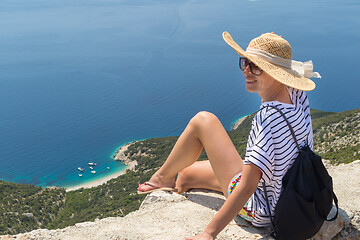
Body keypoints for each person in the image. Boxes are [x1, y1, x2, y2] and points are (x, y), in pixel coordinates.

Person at [137, 31, 321, 240]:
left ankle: (161, 179)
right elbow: (291, 69)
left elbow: (248, 186)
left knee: (203, 120)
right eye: (245, 62)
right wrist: (275, 48)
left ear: (275, 73)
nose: (246, 70)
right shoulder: (296, 93)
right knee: (186, 173)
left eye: (257, 66)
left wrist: (209, 233)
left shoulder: (267, 119)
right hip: (290, 192)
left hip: (262, 208)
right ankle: (168, 180)